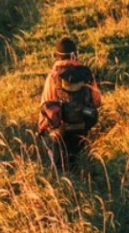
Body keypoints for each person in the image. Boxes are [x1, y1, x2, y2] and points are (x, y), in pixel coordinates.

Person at [38, 36, 102, 171]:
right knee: (79, 163)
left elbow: (45, 104)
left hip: (59, 130)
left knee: (60, 169)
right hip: (82, 126)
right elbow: (97, 101)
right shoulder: (86, 73)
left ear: (57, 56)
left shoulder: (53, 76)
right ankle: (85, 181)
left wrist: (41, 128)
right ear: (75, 55)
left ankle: (64, 187)